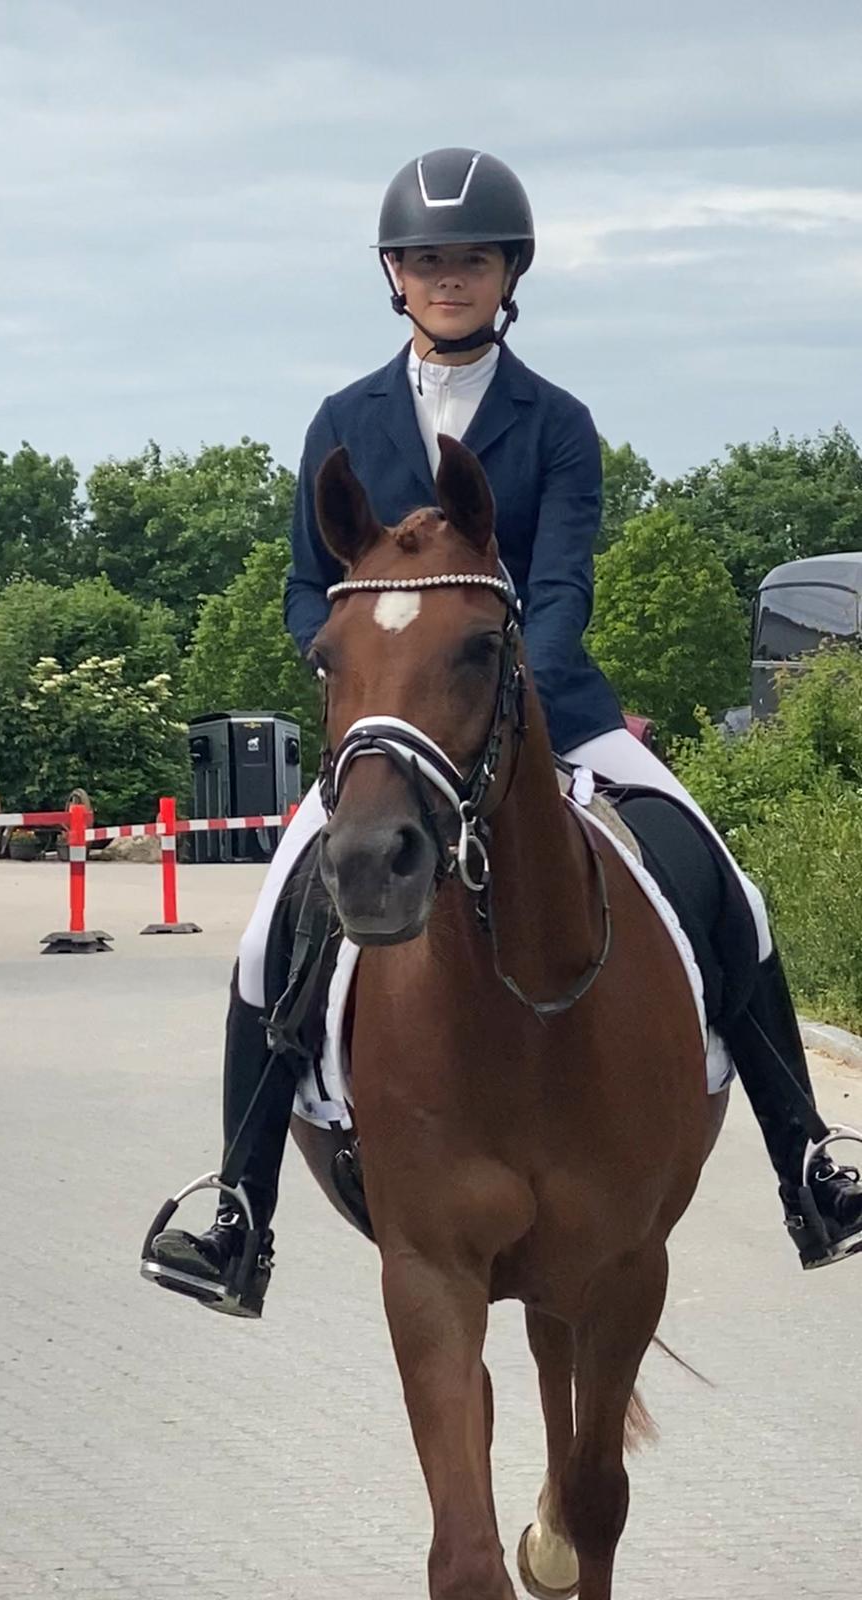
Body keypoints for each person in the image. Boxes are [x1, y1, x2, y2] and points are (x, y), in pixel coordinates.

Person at [147, 148, 862, 1313]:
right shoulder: (341, 420)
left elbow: (567, 584)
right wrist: (371, 665)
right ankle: (238, 1212)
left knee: (720, 878)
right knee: (268, 928)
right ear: (394, 274)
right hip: (396, 730)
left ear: (506, 272)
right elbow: (299, 589)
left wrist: (507, 662)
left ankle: (808, 1161)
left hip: (547, 711)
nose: (447, 278)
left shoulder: (558, 423)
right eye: (427, 261)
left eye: (469, 259)